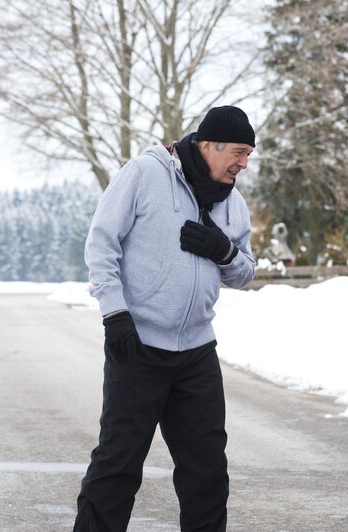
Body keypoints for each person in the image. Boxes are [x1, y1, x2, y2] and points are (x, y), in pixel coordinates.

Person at [74, 106, 257, 532]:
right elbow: (102, 244)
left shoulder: (233, 203)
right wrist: (115, 312)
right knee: (118, 464)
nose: (244, 163)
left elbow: (245, 273)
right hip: (137, 345)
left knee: (207, 472)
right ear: (208, 145)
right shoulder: (144, 174)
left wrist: (223, 251)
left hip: (196, 353)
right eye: (239, 152)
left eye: (249, 154)